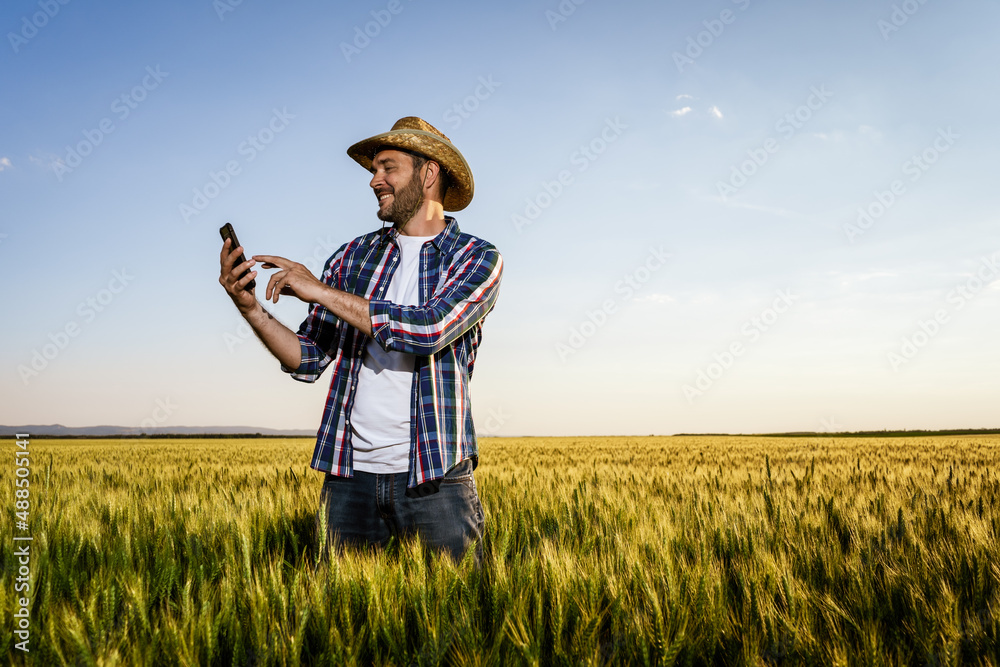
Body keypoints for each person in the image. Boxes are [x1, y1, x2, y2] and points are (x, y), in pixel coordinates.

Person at [218, 116, 503, 566]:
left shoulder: (477, 257)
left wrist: (319, 291)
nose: (374, 180)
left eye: (388, 167)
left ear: (429, 173)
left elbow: (428, 330)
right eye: (374, 170)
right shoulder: (353, 256)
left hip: (436, 477)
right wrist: (250, 308)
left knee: (458, 621)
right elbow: (308, 358)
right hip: (350, 477)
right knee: (339, 622)